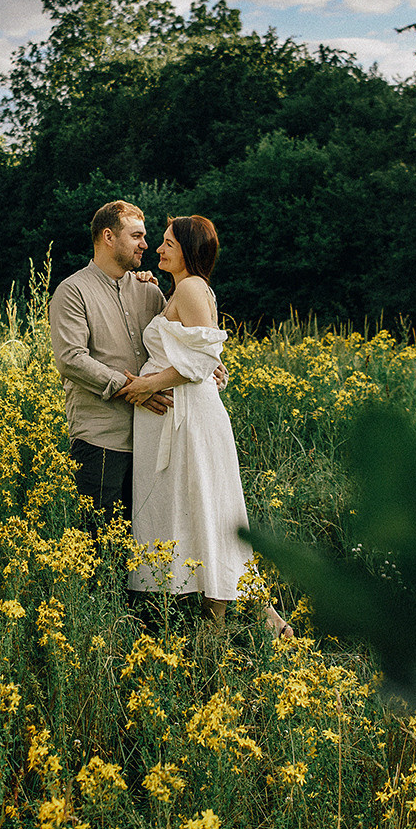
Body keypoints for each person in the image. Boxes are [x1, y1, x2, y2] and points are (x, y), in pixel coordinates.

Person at [117, 215, 293, 637]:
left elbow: (199, 361)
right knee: (201, 513)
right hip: (178, 418)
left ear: (190, 251)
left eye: (167, 244)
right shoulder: (181, 289)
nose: (158, 249)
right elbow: (203, 355)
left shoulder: (193, 287)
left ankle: (216, 630)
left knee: (204, 512)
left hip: (189, 421)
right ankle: (261, 615)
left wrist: (146, 385)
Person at [47, 201, 170, 532]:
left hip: (152, 437)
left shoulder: (150, 292)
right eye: (137, 236)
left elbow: (175, 344)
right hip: (102, 438)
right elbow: (71, 359)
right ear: (108, 236)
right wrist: (132, 390)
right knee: (99, 540)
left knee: (147, 540)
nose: (146, 244)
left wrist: (210, 365)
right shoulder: (72, 291)